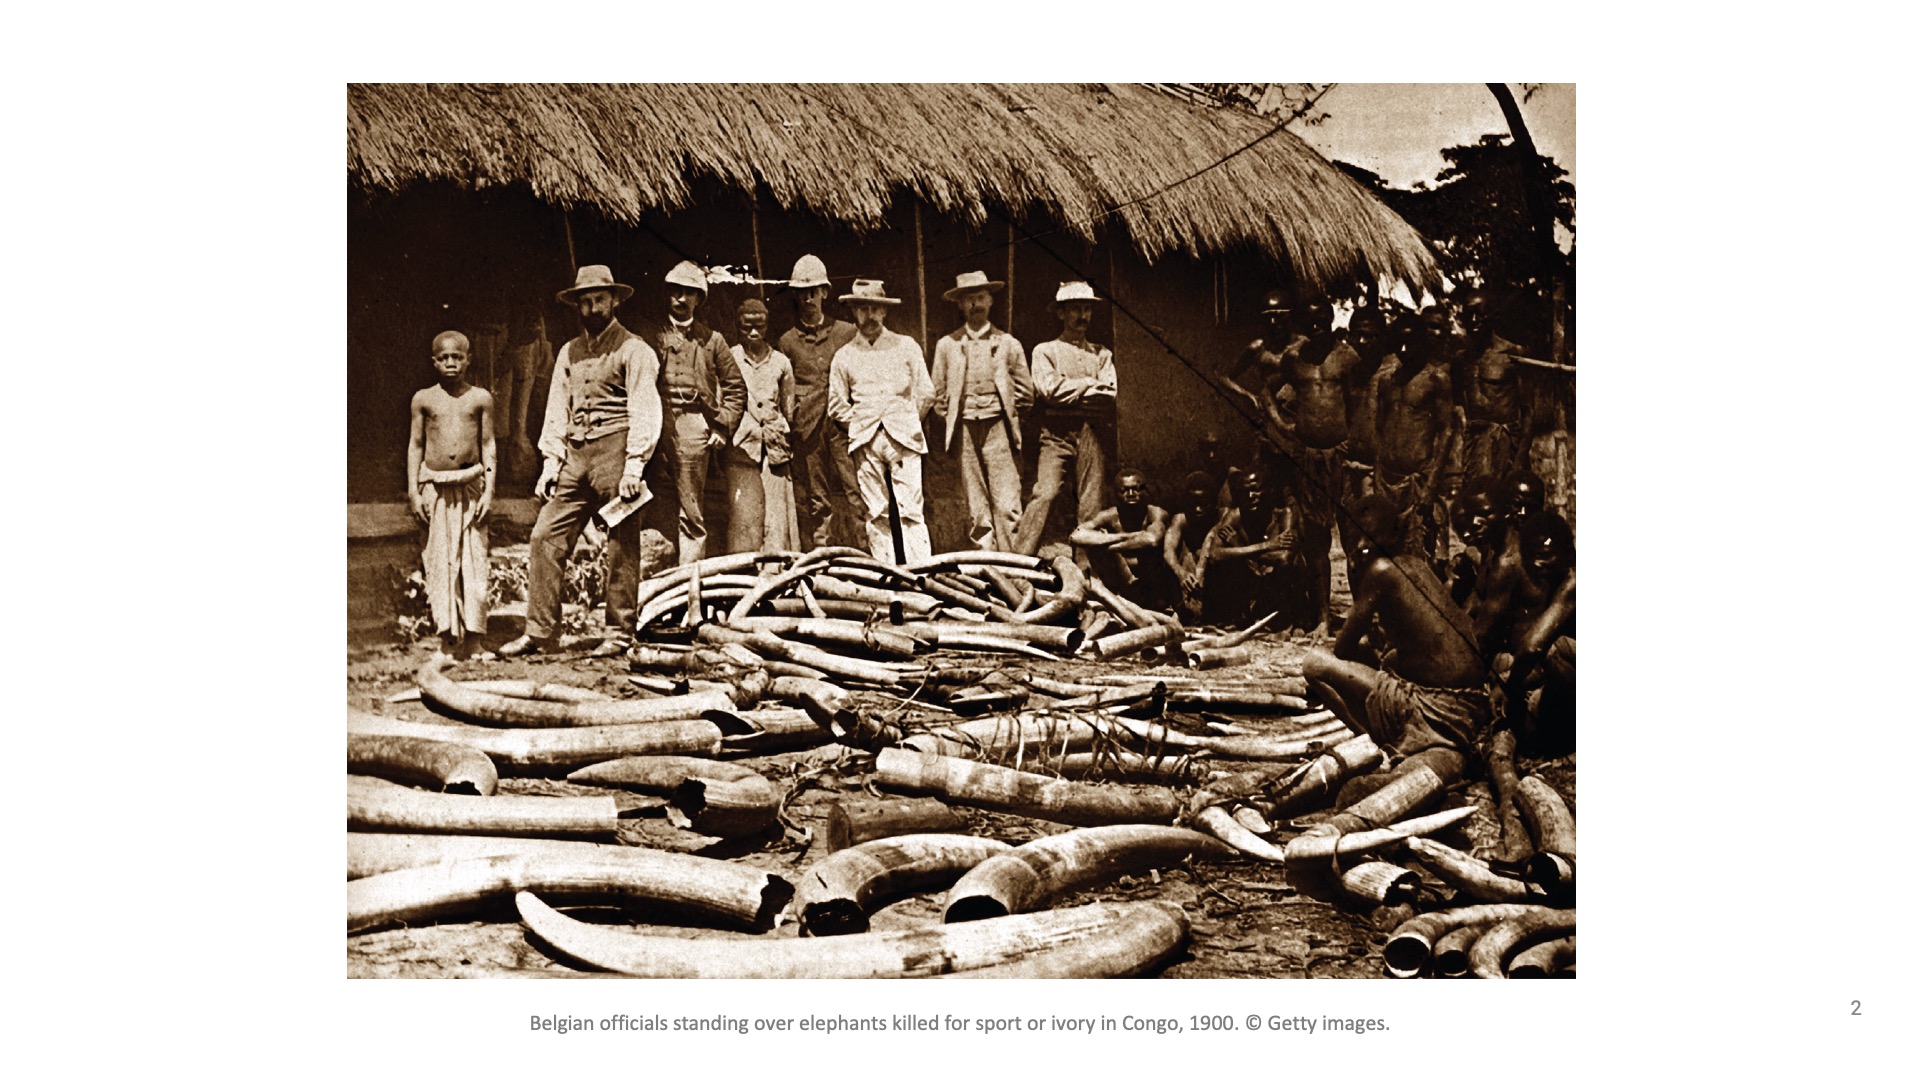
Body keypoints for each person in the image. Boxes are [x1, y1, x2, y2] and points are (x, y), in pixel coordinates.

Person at [500, 266, 662, 658]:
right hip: (575, 453)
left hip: (616, 451)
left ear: (614, 300)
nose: (592, 308)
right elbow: (558, 408)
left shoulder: (635, 349)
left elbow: (645, 408)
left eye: (599, 300)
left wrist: (634, 466)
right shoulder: (568, 351)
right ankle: (540, 633)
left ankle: (619, 632)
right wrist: (551, 462)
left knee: (621, 543)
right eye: (585, 301)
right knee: (544, 536)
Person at [1302, 495, 1489, 775]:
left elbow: (1342, 649)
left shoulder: (1380, 570)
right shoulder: (1416, 564)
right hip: (1474, 702)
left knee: (1314, 664)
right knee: (1382, 658)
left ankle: (1379, 746)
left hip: (1439, 707)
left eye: (1362, 541)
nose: (1361, 548)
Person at [827, 279, 934, 563]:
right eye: (863, 309)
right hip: (865, 441)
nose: (870, 315)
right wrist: (862, 424)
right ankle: (887, 574)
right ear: (854, 312)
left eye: (875, 309)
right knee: (876, 512)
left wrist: (906, 422)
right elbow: (836, 404)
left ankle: (922, 574)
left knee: (911, 510)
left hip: (904, 439)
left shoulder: (905, 346)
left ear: (885, 312)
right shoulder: (845, 355)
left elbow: (926, 393)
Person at [648, 260, 746, 566]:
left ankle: (687, 578)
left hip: (693, 424)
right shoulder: (652, 335)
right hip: (654, 420)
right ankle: (650, 570)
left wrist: (721, 428)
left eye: (688, 293)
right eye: (675, 291)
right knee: (647, 495)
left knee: (691, 506)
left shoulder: (712, 340)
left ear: (699, 299)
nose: (681, 298)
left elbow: (736, 388)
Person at [408, 331, 496, 657]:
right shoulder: (423, 399)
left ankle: (475, 641)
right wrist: (414, 492)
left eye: (456, 357)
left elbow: (488, 445)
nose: (450, 363)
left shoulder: (481, 398)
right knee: (439, 561)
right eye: (443, 358)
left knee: (474, 561)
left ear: (468, 359)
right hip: (434, 487)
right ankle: (446, 640)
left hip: (472, 486)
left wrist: (489, 492)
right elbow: (416, 445)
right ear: (434, 362)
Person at [931, 270, 1032, 552]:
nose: (975, 304)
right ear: (960, 305)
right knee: (976, 502)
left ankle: (1014, 561)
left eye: (980, 298)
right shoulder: (947, 345)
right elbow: (937, 393)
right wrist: (953, 413)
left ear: (990, 301)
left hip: (998, 427)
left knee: (1007, 500)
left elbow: (1026, 393)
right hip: (964, 429)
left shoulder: (1008, 344)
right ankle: (987, 560)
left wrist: (1006, 414)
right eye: (968, 300)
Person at [1013, 281, 1117, 555]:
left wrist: (1070, 388)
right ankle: (1018, 562)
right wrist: (1087, 383)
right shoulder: (1045, 351)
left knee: (1091, 503)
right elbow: (1049, 390)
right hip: (1056, 434)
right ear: (1061, 314)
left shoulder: (1102, 354)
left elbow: (1108, 393)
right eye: (1075, 310)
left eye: (1087, 310)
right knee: (1045, 493)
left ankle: (1088, 568)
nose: (1083, 316)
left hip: (1091, 433)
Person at [777, 255, 862, 551]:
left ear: (825, 292)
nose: (808, 297)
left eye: (814, 290)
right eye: (802, 291)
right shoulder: (788, 341)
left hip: (844, 426)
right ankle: (822, 558)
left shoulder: (847, 332)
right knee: (817, 496)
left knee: (856, 488)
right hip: (808, 428)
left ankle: (866, 552)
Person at [1373, 306, 1458, 567]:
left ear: (1423, 342)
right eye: (1400, 343)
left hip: (1418, 481)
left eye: (1411, 343)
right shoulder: (1387, 380)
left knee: (1423, 556)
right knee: (1387, 552)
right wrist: (1377, 476)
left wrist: (1431, 485)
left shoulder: (1436, 379)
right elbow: (1380, 429)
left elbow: (1447, 431)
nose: (1405, 350)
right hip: (1388, 480)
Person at [724, 299, 799, 553]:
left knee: (776, 517)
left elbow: (788, 408)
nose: (753, 333)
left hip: (775, 449)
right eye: (747, 327)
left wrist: (776, 431)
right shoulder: (729, 358)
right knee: (743, 515)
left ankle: (776, 573)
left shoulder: (781, 362)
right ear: (738, 326)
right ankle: (743, 575)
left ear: (767, 327)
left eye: (760, 326)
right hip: (741, 447)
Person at [1202, 462, 1302, 628]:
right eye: (1244, 491)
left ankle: (1284, 619)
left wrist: (1236, 546)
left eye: (1255, 490)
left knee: (1295, 564)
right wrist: (1268, 546)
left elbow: (1285, 559)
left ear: (1268, 490)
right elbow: (1214, 554)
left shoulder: (1285, 515)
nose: (1250, 496)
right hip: (1250, 581)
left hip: (1274, 585)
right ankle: (1236, 615)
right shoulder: (1235, 516)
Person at [1456, 288, 1531, 485]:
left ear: (1493, 316)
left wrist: (1518, 463)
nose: (1473, 320)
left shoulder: (1513, 354)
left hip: (1506, 450)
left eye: (1479, 314)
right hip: (1473, 449)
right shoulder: (1462, 359)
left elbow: (1529, 414)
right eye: (1468, 314)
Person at [1071, 467, 1171, 609]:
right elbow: (1076, 535)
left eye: (1136, 489)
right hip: (1120, 581)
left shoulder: (1156, 513)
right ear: (1116, 493)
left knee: (1097, 542)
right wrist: (1130, 537)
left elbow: (1152, 539)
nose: (1131, 494)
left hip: (1152, 584)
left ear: (1145, 490)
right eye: (1124, 490)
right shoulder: (1110, 516)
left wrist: (1105, 545)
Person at [1163, 469, 1222, 624]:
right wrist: (1181, 573)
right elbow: (1168, 550)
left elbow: (1212, 547)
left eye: (1203, 504)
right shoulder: (1181, 520)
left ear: (1214, 503)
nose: (1198, 510)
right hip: (1187, 582)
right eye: (1193, 504)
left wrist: (1201, 570)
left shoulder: (1222, 517)